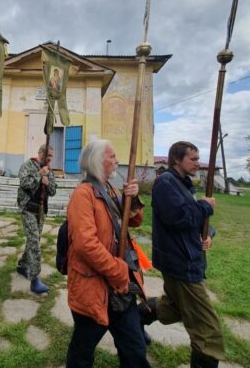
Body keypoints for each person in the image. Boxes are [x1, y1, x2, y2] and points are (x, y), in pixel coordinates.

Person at [65, 139, 151, 368]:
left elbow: (133, 221)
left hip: (121, 288)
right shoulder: (83, 195)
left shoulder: (111, 189)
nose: (117, 161)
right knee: (82, 352)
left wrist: (132, 198)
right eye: (112, 156)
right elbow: (86, 245)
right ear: (97, 161)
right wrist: (118, 271)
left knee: (135, 350)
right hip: (93, 288)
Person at [151, 141, 224, 368]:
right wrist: (205, 206)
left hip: (188, 260)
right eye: (193, 159)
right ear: (176, 159)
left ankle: (133, 318)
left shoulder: (183, 184)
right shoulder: (165, 183)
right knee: (208, 332)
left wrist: (208, 233)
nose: (198, 163)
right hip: (180, 264)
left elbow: (195, 220)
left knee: (171, 309)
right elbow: (177, 218)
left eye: (198, 158)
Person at [16, 144, 57, 294]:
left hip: (40, 211)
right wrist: (39, 175)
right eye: (48, 155)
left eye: (51, 156)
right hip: (28, 208)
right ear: (40, 153)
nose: (50, 159)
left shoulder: (49, 170)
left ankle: (22, 265)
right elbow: (24, 183)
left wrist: (48, 182)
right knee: (34, 242)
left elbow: (53, 191)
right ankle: (35, 280)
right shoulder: (28, 165)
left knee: (34, 239)